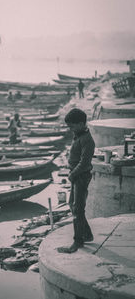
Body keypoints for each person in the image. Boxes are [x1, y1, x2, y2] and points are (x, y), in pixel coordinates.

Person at [57, 108, 95, 253]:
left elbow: (84, 163)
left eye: (72, 126)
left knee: (78, 208)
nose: (70, 129)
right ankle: (87, 234)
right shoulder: (79, 134)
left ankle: (77, 241)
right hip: (76, 175)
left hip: (81, 176)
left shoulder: (87, 140)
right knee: (72, 205)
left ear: (80, 124)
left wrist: (73, 173)